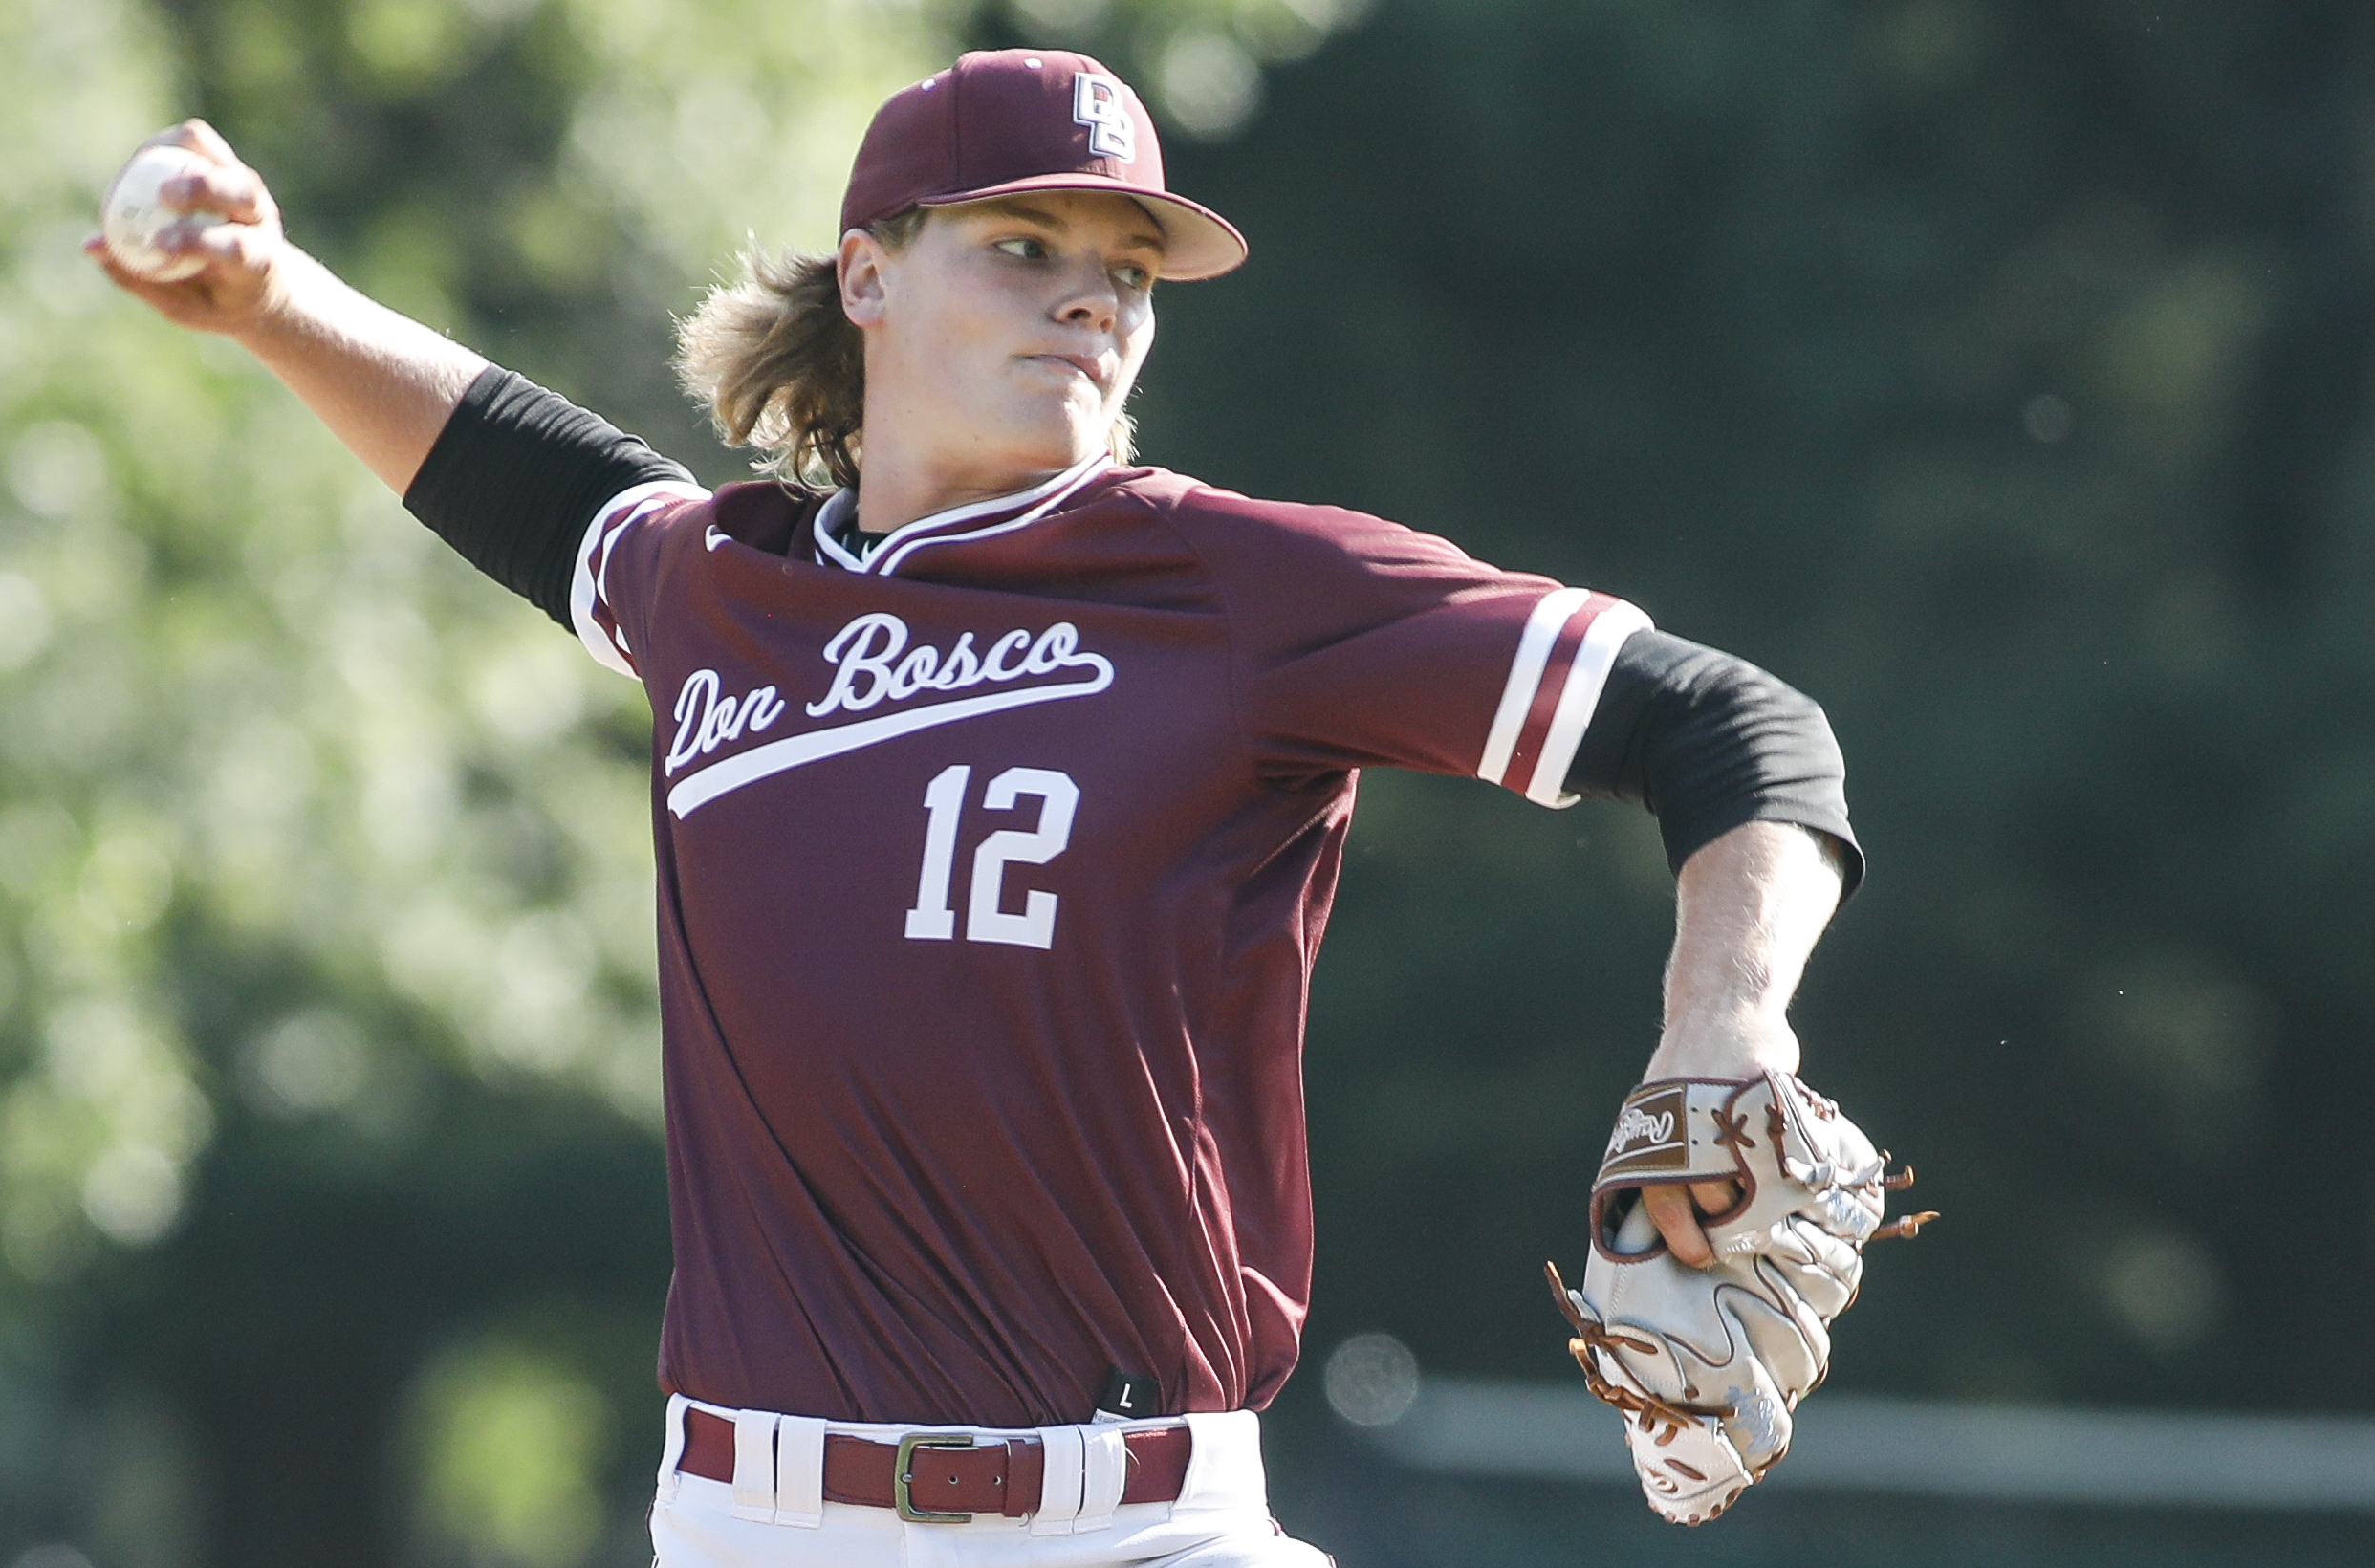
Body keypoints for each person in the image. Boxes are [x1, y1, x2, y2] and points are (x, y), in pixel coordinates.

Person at [93, 49, 1859, 1567]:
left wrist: (1720, 1039)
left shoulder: (1232, 586)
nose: (1089, 297)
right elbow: (530, 475)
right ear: (866, 276)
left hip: (1139, 1523)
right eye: (1023, 247)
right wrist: (269, 300)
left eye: (1126, 268)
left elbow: (1728, 723)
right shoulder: (724, 595)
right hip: (751, 1527)